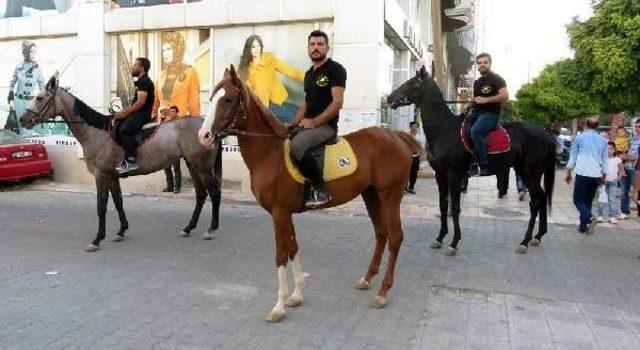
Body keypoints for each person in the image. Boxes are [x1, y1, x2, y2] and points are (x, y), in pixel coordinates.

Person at [288, 30, 346, 208]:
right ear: (308, 48)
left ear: (327, 48)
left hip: (325, 127)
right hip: (308, 125)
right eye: (312, 44)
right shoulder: (308, 74)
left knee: (297, 146)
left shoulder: (335, 69)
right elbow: (305, 104)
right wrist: (292, 124)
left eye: (320, 44)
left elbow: (337, 103)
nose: (316, 48)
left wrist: (314, 122)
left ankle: (321, 190)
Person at [238, 35, 304, 122]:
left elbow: (289, 70)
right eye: (253, 47)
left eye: (258, 45)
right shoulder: (246, 69)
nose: (257, 49)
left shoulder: (269, 59)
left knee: (301, 115)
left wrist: (309, 77)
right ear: (248, 49)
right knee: (296, 121)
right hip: (263, 109)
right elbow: (248, 93)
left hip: (279, 102)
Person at [466, 53, 509, 176]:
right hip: (476, 113)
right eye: (479, 63)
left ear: (490, 64)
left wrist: (486, 100)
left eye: (485, 62)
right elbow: (476, 99)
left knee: (475, 131)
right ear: (477, 65)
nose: (482, 65)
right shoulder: (477, 82)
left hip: (491, 115)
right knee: (463, 130)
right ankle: (470, 162)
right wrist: (469, 105)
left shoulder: (497, 79)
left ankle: (484, 166)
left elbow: (505, 95)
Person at [565, 116, 607, 234]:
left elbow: (573, 157)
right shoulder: (603, 140)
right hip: (596, 174)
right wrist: (604, 176)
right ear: (597, 126)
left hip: (583, 173)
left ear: (586, 125)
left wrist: (568, 172)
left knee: (578, 200)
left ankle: (589, 217)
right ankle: (583, 227)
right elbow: (605, 160)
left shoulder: (579, 138)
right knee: (588, 200)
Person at [114, 57, 155, 173]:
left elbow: (140, 102)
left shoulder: (144, 82)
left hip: (142, 114)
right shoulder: (140, 82)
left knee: (124, 130)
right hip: (138, 113)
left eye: (135, 65)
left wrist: (124, 113)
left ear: (142, 68)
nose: (132, 67)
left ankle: (131, 160)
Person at [152, 31, 200, 119]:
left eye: (169, 49)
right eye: (163, 50)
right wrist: (153, 116)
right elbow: (155, 102)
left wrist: (194, 123)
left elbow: (194, 105)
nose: (165, 53)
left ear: (178, 49)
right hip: (161, 122)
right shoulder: (160, 75)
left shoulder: (190, 72)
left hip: (179, 123)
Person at [7, 40, 44, 136]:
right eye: (31, 51)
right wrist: (10, 101)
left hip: (30, 103)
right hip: (18, 101)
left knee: (27, 130)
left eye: (34, 51)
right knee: (19, 129)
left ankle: (27, 150)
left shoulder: (37, 68)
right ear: (26, 52)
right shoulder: (19, 66)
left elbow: (42, 87)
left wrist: (43, 103)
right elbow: (12, 85)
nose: (33, 54)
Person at [596, 142, 625, 224]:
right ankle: (600, 215)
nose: (609, 151)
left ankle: (612, 216)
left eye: (611, 148)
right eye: (607, 149)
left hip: (613, 183)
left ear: (614, 149)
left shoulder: (618, 159)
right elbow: (599, 170)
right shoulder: (602, 159)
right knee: (601, 199)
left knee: (612, 199)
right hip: (603, 183)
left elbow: (622, 171)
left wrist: (617, 179)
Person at [620, 119, 640, 219]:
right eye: (636, 127)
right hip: (626, 167)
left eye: (639, 127)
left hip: (636, 170)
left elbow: (637, 157)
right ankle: (625, 212)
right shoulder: (633, 139)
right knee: (624, 191)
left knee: (638, 191)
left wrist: (626, 157)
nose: (637, 129)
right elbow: (626, 152)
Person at [161, 106, 182, 194]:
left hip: (176, 149)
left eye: (173, 111)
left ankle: (177, 187)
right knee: (166, 168)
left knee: (176, 169)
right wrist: (162, 119)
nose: (171, 113)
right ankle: (169, 187)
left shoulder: (180, 123)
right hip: (167, 148)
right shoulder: (167, 122)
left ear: (177, 112)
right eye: (170, 111)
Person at [405, 121, 421, 194]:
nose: (414, 128)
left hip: (416, 157)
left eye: (416, 127)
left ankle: (411, 188)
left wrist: (419, 156)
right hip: (408, 157)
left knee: (414, 173)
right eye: (413, 126)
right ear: (410, 127)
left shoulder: (419, 136)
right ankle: (404, 189)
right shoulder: (406, 136)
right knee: (406, 173)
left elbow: (420, 147)